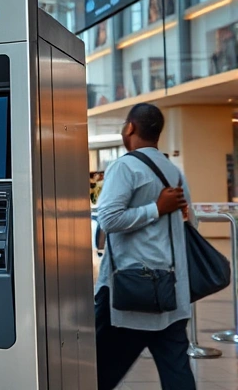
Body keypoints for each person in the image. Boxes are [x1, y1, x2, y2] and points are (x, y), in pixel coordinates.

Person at [95, 103, 196, 390]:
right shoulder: (173, 171)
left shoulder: (124, 166)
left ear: (130, 128)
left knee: (99, 371)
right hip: (172, 291)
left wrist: (155, 208)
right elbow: (192, 223)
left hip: (130, 290)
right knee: (177, 372)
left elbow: (109, 219)